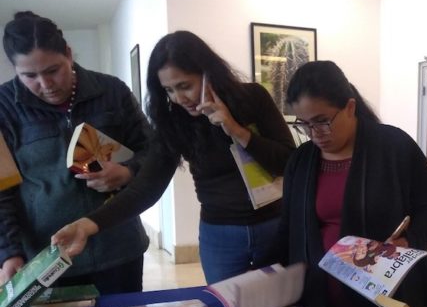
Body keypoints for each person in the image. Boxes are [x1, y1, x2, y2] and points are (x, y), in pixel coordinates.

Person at [52, 31, 295, 283]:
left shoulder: (252, 98)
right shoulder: (173, 121)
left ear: (208, 73)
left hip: (274, 226)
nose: (179, 98)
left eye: (185, 86)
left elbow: (289, 162)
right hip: (221, 235)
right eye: (168, 90)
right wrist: (87, 224)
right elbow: (145, 188)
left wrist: (237, 131)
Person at [275, 61, 427, 307]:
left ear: (350, 107)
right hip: (319, 306)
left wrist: (404, 244)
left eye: (322, 121)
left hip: (385, 306)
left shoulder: (393, 147)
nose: (315, 134)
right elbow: (287, 228)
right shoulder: (301, 160)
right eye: (304, 125)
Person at [0, 12, 152, 293]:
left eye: (53, 70)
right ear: (14, 69)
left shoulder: (112, 91)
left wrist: (128, 171)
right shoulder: (4, 107)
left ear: (68, 54)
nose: (46, 85)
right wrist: (8, 251)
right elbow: (1, 189)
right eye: (29, 76)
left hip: (118, 245)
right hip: (47, 255)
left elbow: (152, 152)